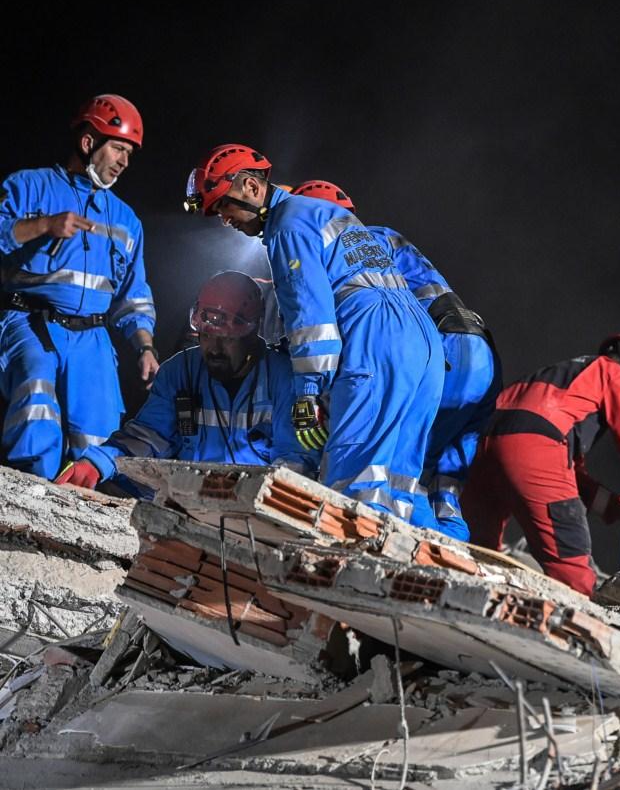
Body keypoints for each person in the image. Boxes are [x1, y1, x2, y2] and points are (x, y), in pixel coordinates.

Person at [183, 145, 443, 523]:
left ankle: (348, 571)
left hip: (375, 338)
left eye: (224, 205)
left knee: (353, 483)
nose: (225, 219)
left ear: (253, 187)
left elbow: (311, 319)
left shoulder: (287, 225)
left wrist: (308, 393)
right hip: (421, 340)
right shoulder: (323, 214)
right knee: (396, 484)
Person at [291, 180, 500, 540]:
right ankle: (449, 551)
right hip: (480, 356)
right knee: (438, 483)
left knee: (388, 469)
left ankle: (375, 548)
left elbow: (335, 320)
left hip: (435, 349)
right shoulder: (384, 236)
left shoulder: (346, 245)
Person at [0, 95, 158, 478]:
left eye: (129, 154)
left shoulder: (126, 220)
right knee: (36, 407)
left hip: (93, 339)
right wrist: (43, 226)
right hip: (31, 323)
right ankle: (29, 503)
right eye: (118, 148)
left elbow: (133, 294)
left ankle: (85, 519)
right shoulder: (28, 186)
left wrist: (145, 346)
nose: (124, 161)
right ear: (89, 143)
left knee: (99, 439)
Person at [54, 272, 316, 488]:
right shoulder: (181, 371)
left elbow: (294, 459)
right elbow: (150, 435)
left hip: (251, 508)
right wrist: (98, 462)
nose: (213, 349)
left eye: (225, 339)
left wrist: (259, 500)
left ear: (251, 333)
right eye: (205, 336)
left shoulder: (283, 379)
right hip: (186, 498)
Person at [462, 335, 620, 595]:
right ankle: (583, 631)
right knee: (573, 568)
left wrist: (611, 506)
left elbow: (564, 468)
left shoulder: (558, 378)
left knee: (475, 552)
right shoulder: (615, 373)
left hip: (482, 449)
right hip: (534, 450)